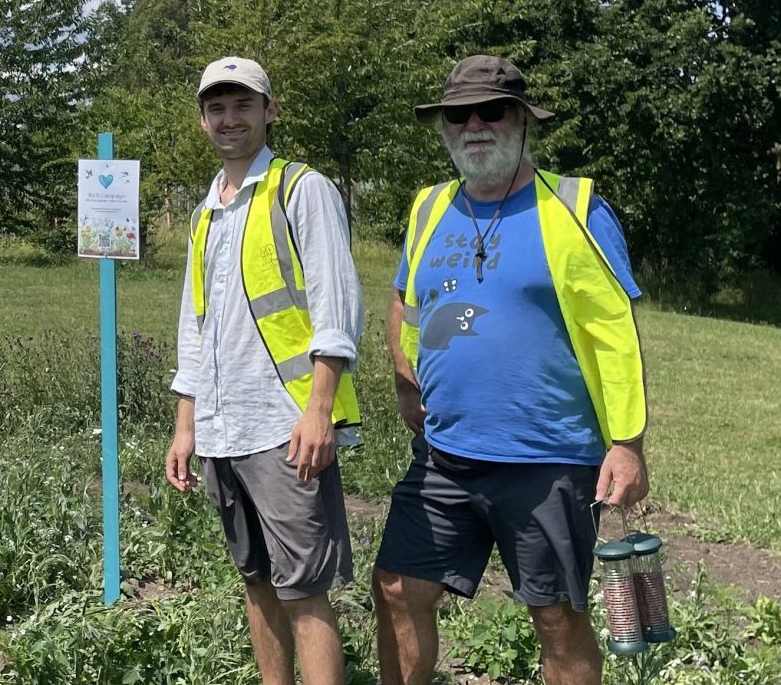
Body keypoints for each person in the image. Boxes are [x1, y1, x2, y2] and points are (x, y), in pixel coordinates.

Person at [375, 55, 650, 685]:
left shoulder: (577, 208)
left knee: (557, 620)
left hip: (548, 460)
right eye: (457, 113)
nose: (474, 124)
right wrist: (404, 378)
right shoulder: (429, 207)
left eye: (491, 110)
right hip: (444, 453)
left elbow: (617, 335)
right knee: (395, 589)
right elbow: (405, 300)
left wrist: (627, 444)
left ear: (523, 120)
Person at [165, 57, 364, 685]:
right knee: (257, 585)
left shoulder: (301, 189)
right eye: (217, 107)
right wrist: (186, 424)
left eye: (243, 104)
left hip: (285, 426)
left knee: (305, 592)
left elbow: (337, 308)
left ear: (269, 111)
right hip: (223, 428)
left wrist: (319, 410)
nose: (230, 118)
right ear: (203, 118)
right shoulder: (205, 213)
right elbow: (195, 325)